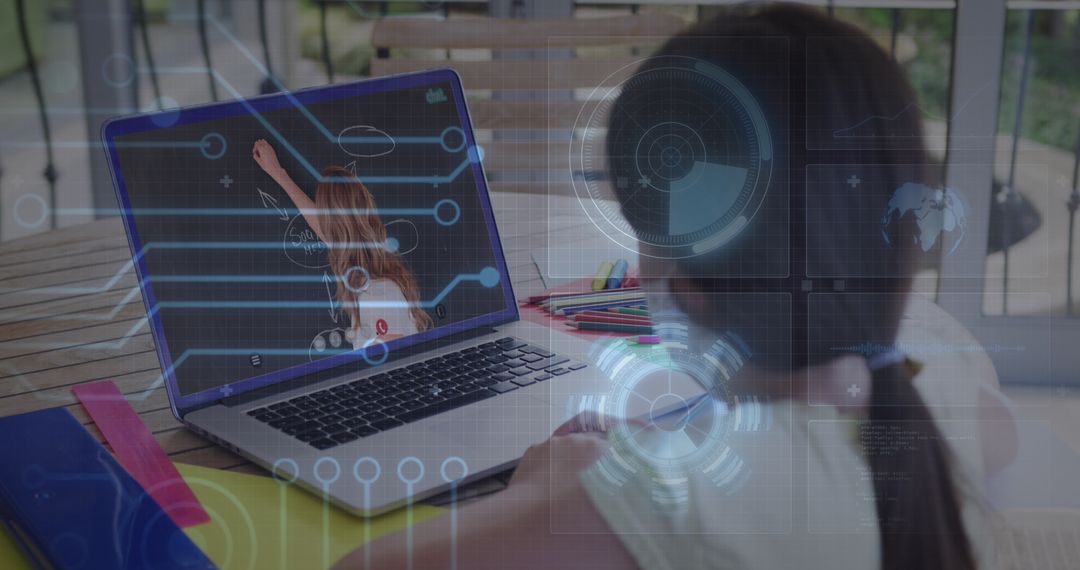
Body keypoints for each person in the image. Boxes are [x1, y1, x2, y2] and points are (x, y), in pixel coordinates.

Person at [335, 4, 1014, 569]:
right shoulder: (939, 398)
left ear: (682, 281)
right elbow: (996, 432)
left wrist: (552, 487)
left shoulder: (667, 502)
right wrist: (688, 431)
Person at [252, 141, 433, 346]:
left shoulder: (377, 294)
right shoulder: (368, 267)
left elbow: (394, 364)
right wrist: (278, 173)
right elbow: (324, 228)